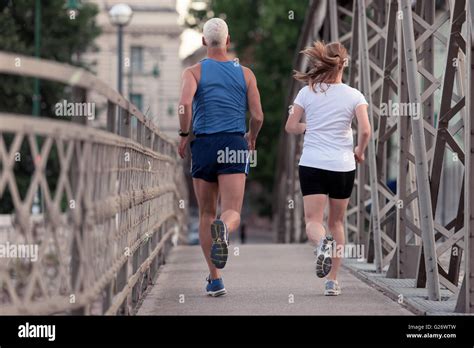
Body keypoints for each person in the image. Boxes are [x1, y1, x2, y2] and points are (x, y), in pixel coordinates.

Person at [177, 18, 264, 297]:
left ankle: (215, 279)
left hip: (203, 144)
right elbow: (259, 116)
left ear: (203, 42)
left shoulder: (194, 71)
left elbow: (184, 104)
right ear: (228, 41)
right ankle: (224, 228)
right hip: (233, 143)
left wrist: (183, 134)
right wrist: (251, 137)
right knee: (232, 211)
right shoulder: (246, 73)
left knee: (205, 212)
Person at [285, 41, 371, 296]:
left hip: (312, 163)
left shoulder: (306, 92)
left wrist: (306, 127)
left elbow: (290, 126)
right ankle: (332, 281)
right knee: (337, 222)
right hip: (343, 165)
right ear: (344, 64)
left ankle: (321, 244)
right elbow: (365, 130)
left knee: (313, 220)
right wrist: (359, 151)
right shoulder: (354, 95)